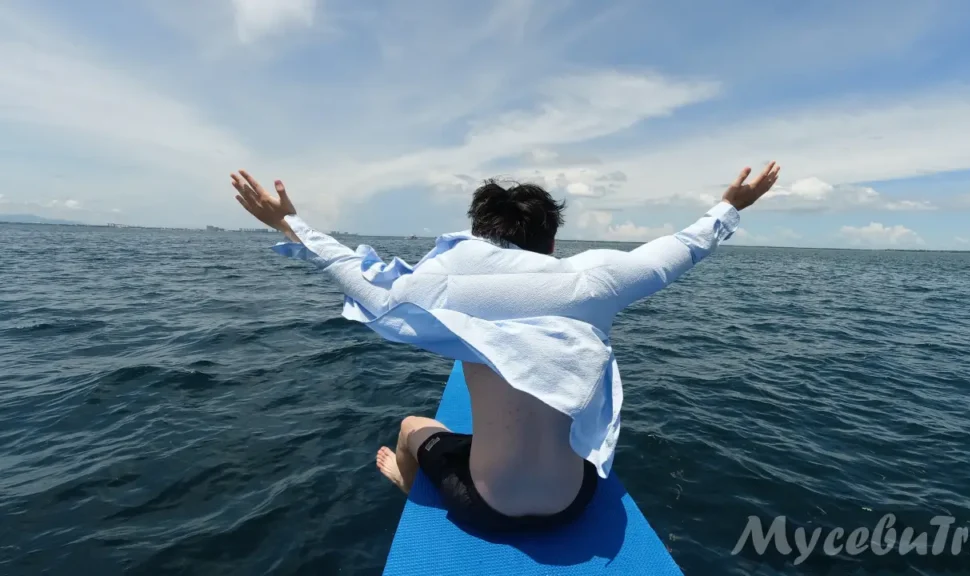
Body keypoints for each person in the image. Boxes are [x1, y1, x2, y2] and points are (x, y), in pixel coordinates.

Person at [230, 161, 780, 532]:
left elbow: (349, 268)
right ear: (552, 242)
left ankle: (407, 482)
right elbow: (679, 249)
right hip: (577, 499)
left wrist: (289, 222)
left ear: (478, 234)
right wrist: (730, 206)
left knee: (410, 427)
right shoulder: (595, 283)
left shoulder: (442, 289)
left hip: (482, 508)